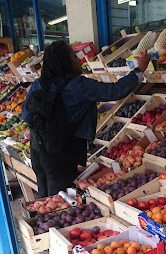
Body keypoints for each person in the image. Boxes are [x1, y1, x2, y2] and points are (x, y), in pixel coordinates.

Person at [22, 40, 150, 197]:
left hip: (37, 149)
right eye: (74, 56)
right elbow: (115, 91)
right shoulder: (78, 85)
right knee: (60, 200)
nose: (78, 60)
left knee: (44, 196)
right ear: (66, 62)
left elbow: (26, 116)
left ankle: (38, 220)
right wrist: (140, 69)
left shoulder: (38, 84)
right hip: (61, 152)